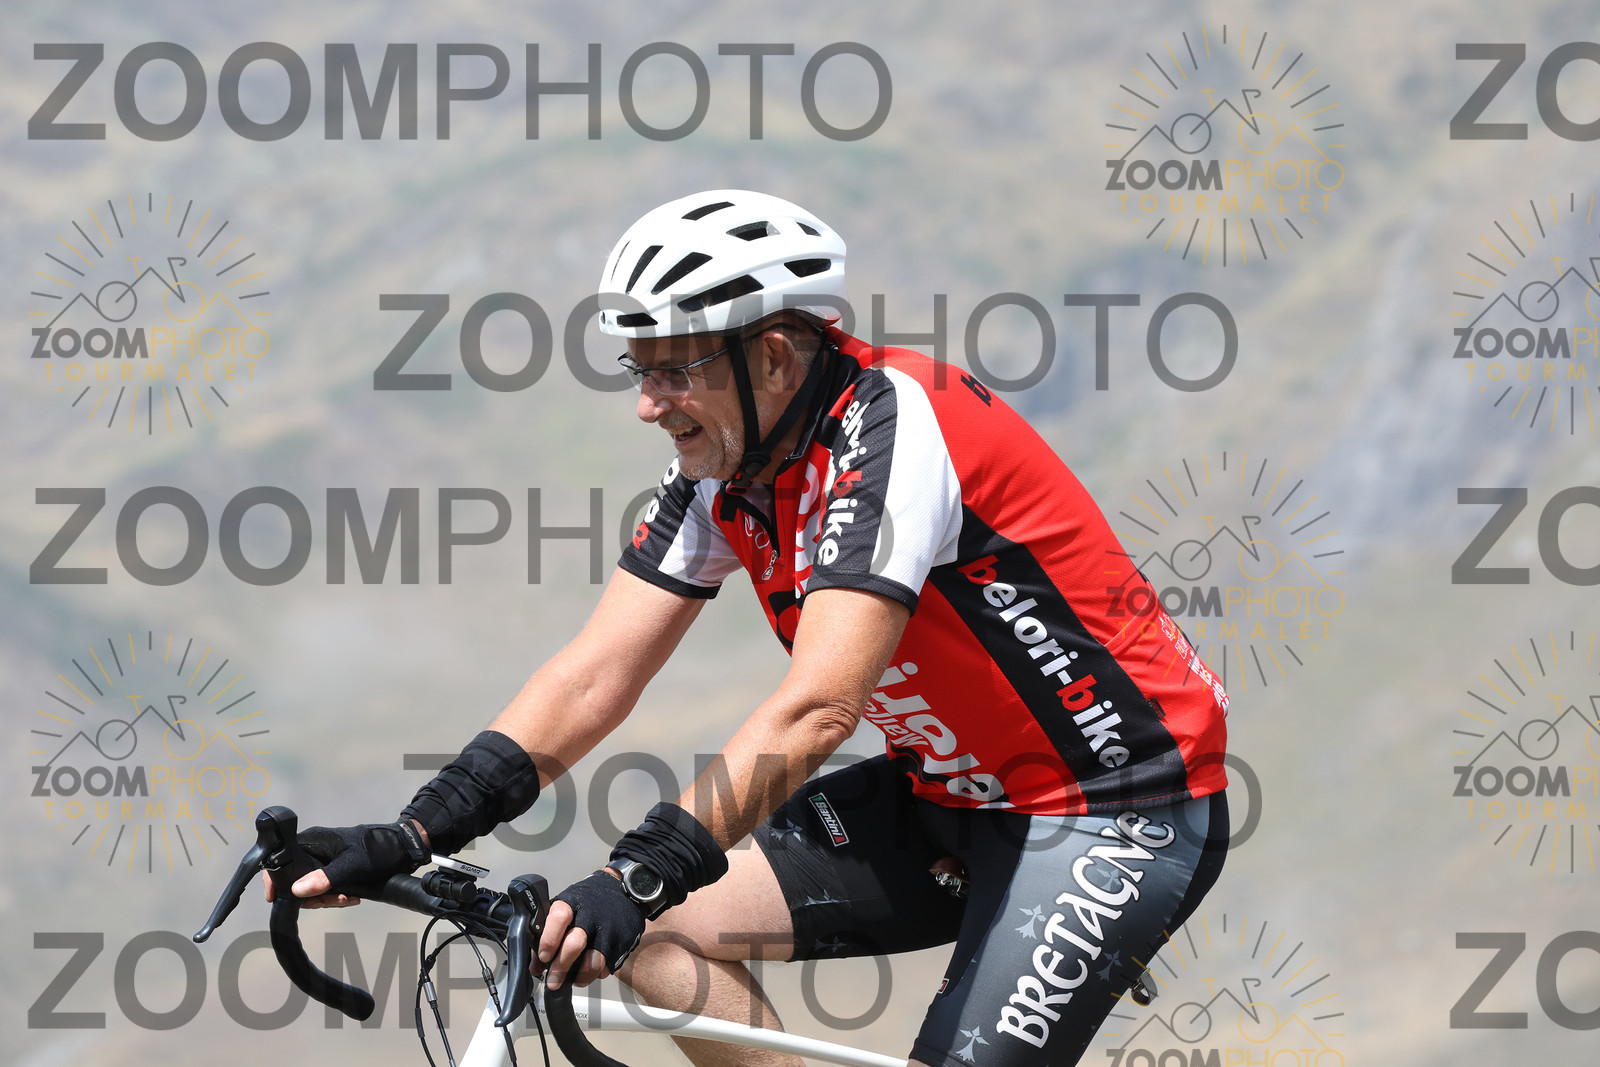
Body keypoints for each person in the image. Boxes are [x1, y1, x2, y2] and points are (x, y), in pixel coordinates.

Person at [275, 190, 1231, 1067]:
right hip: (947, 793)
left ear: (773, 357)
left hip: (1112, 809)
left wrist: (639, 870)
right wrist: (418, 829)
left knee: (647, 901)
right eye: (638, 370)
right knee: (659, 941)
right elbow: (596, 672)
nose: (647, 405)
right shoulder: (726, 469)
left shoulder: (896, 427)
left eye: (673, 372)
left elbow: (819, 707)